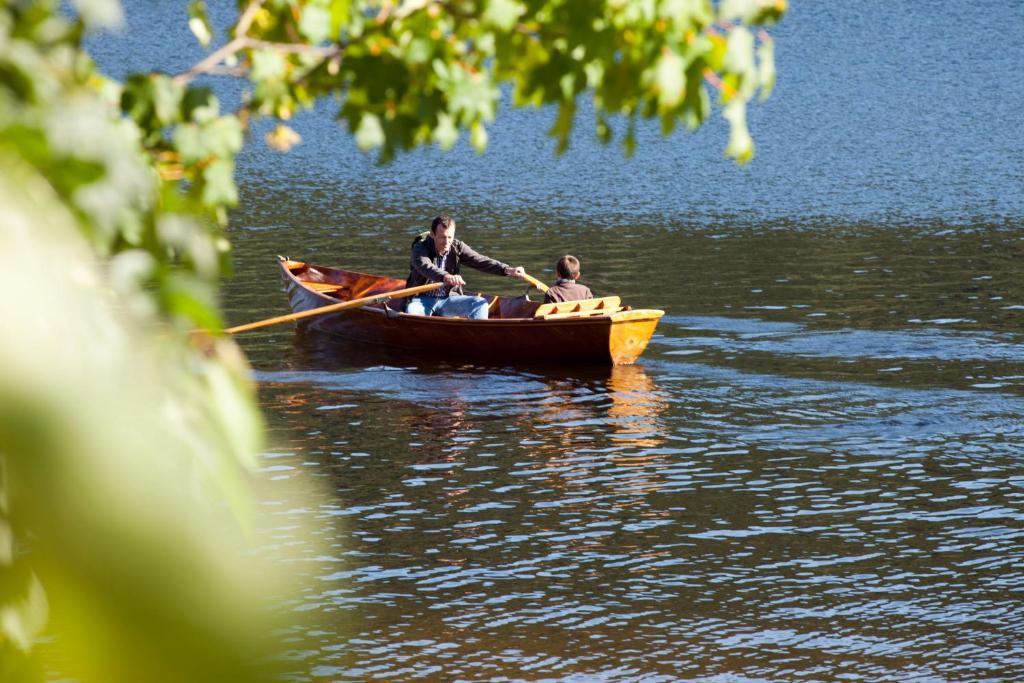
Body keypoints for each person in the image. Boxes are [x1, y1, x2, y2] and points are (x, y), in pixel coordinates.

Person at [405, 214, 526, 319]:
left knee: (480, 303)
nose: (447, 242)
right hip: (421, 299)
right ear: (432, 234)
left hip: (448, 299)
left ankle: (478, 335)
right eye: (442, 237)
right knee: (411, 311)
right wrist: (446, 276)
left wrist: (507, 269)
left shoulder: (457, 247)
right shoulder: (420, 249)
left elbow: (481, 261)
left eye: (450, 237)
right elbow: (426, 267)